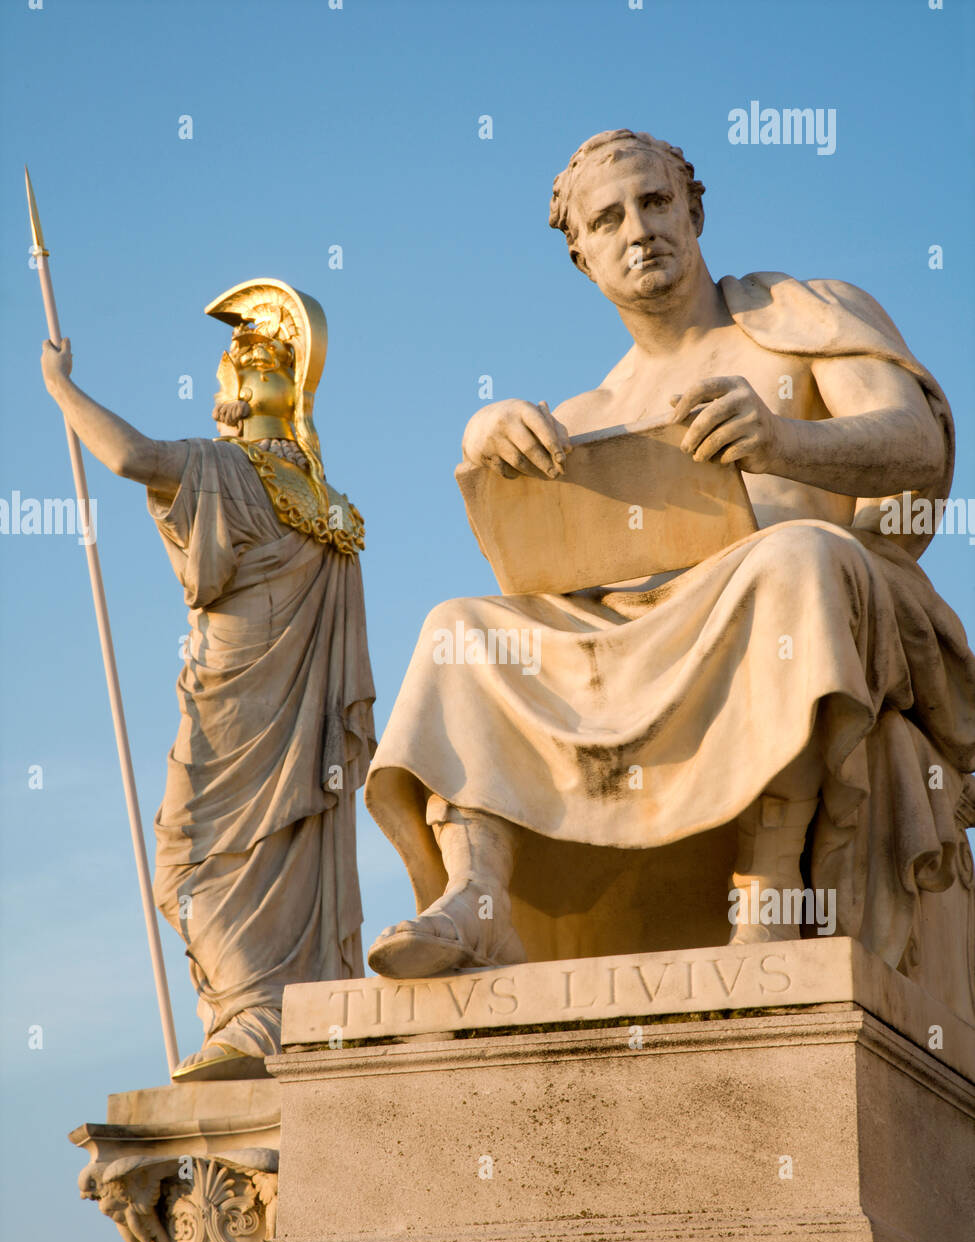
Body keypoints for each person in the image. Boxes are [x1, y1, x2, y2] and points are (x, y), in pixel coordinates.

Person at [364, 130, 975, 1016]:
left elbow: (916, 441)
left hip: (819, 595)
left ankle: (769, 888)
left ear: (694, 211)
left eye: (654, 203)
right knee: (458, 626)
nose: (638, 229)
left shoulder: (795, 317)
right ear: (582, 257)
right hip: (645, 630)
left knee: (791, 558)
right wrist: (480, 440)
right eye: (607, 219)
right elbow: (546, 573)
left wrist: (785, 440)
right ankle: (480, 895)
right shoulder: (588, 415)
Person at [42, 279, 376, 1079]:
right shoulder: (327, 507)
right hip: (245, 702)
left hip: (236, 706)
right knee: (235, 854)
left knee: (188, 861)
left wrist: (59, 386)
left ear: (274, 387)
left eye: (242, 363)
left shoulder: (227, 471)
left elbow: (127, 457)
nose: (226, 376)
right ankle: (262, 1009)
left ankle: (257, 1015)